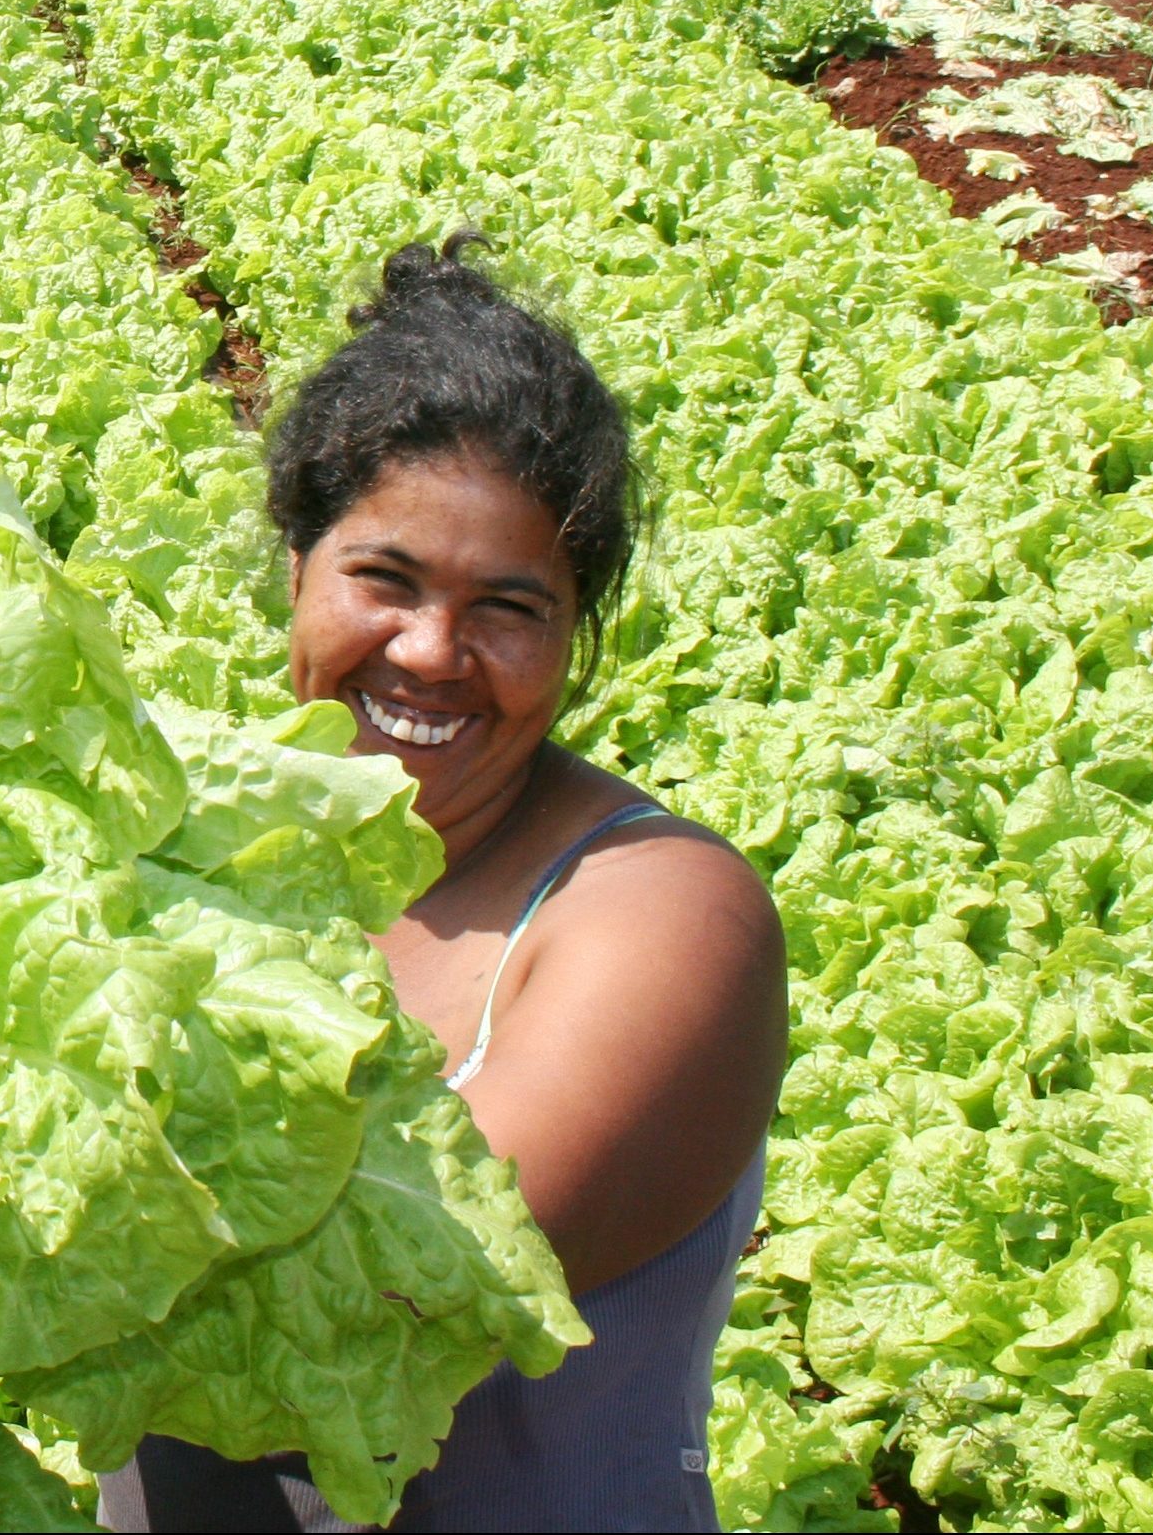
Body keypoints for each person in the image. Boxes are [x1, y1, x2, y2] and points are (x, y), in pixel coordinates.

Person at [103, 237, 789, 1534]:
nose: (429, 651)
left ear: (577, 633)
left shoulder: (664, 911)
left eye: (509, 606)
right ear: (297, 565)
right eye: (386, 578)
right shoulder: (199, 834)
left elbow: (416, 1269)